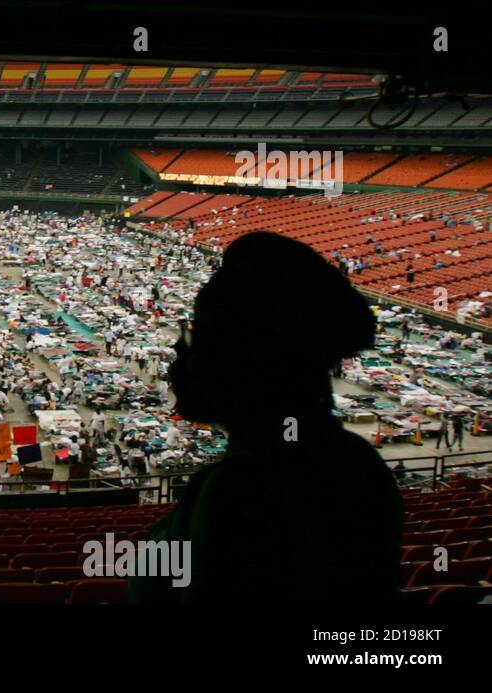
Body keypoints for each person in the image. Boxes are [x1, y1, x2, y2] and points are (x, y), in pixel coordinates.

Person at [133, 232, 401, 605]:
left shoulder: (243, 489)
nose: (179, 348)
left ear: (241, 361)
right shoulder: (353, 461)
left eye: (196, 335)